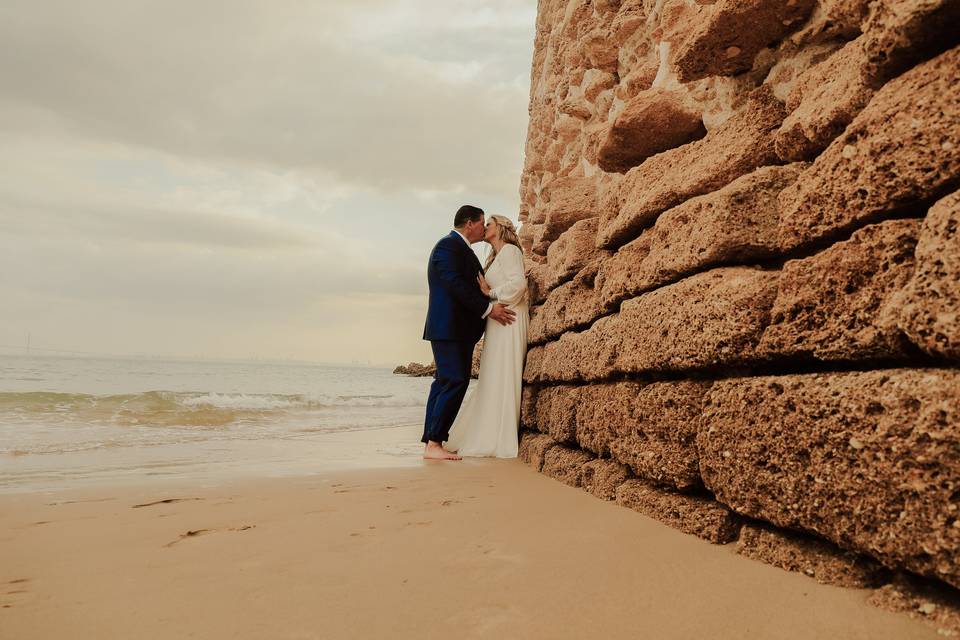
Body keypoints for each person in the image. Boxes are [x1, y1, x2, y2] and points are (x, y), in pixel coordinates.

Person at [421, 205, 516, 461]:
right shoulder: (448, 246)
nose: (484, 228)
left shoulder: (461, 249)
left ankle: (431, 441)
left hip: (455, 329)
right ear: (470, 223)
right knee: (454, 381)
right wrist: (488, 309)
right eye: (482, 222)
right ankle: (434, 443)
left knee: (443, 382)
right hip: (450, 328)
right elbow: (455, 285)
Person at [445, 215, 529, 458]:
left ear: (500, 228)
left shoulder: (511, 251)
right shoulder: (495, 257)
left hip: (509, 318)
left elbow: (518, 285)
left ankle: (498, 436)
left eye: (488, 224)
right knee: (493, 374)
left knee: (504, 373)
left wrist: (490, 292)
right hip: (498, 318)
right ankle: (487, 430)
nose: (484, 228)